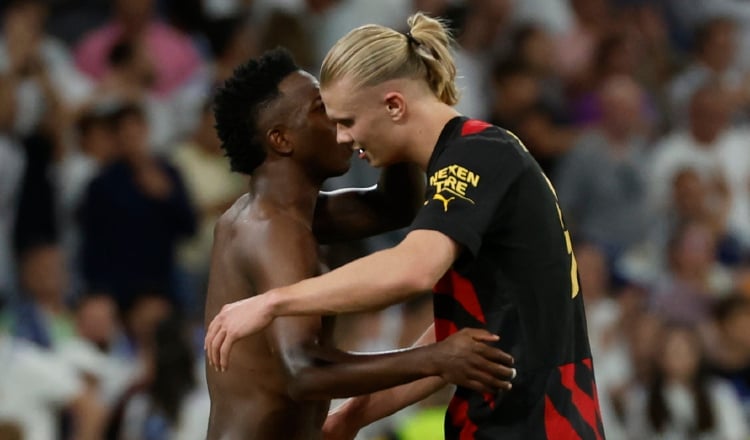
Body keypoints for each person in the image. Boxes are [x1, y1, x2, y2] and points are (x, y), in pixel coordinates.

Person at [206, 14, 603, 438]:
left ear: (394, 105)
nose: (344, 137)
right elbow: (467, 331)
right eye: (332, 118)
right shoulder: (474, 157)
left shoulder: (477, 157)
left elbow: (412, 264)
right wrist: (357, 413)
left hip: (537, 423)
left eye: (348, 121)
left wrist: (273, 302)